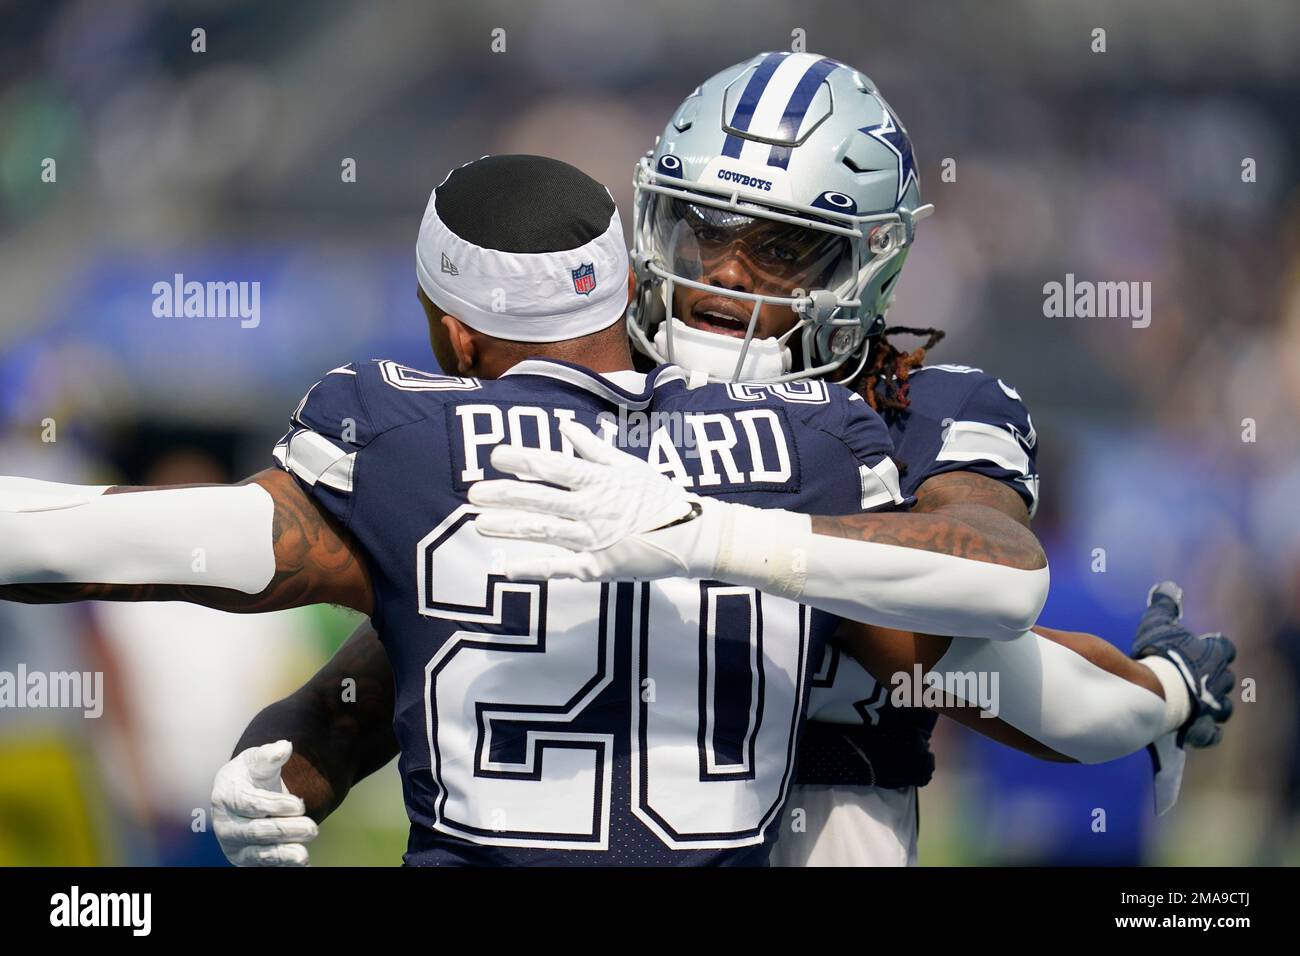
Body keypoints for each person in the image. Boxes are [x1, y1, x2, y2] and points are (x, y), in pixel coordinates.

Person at [213, 54, 1236, 868]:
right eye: (701, 232)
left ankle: (1166, 693)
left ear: (867, 261)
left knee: (892, 636)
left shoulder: (919, 400)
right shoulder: (591, 377)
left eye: (780, 247)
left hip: (833, 820)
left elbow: (983, 600)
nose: (723, 279)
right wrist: (311, 732)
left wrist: (728, 543)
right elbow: (459, 598)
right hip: (595, 828)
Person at [0, 154, 1057, 865]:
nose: (733, 275)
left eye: (781, 246)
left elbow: (130, 541)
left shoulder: (401, 439)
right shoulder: (820, 439)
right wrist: (1164, 689)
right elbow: (1014, 650)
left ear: (455, 336)